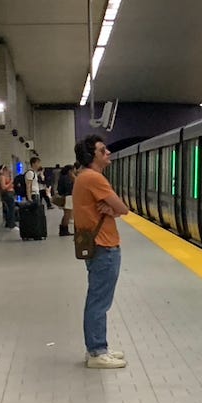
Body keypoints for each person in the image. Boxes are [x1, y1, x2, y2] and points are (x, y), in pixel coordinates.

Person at [72, 135, 129, 369]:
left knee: (97, 299)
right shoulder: (94, 178)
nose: (108, 153)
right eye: (103, 150)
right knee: (99, 301)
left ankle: (97, 347)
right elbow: (123, 208)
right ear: (91, 155)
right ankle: (97, 351)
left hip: (98, 245)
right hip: (104, 246)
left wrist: (111, 210)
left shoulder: (84, 178)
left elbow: (115, 210)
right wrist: (113, 210)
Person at [56, 162, 75, 238]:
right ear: (69, 171)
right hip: (68, 197)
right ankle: (64, 230)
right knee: (67, 214)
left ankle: (63, 229)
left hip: (66, 196)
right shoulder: (67, 178)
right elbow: (69, 188)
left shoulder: (62, 177)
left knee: (66, 214)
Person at [0, 162, 15, 229]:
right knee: (10, 209)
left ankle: (9, 223)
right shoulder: (2, 177)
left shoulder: (6, 176)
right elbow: (3, 187)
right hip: (7, 194)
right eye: (6, 169)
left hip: (10, 193)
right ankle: (11, 223)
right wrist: (10, 183)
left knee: (11, 209)